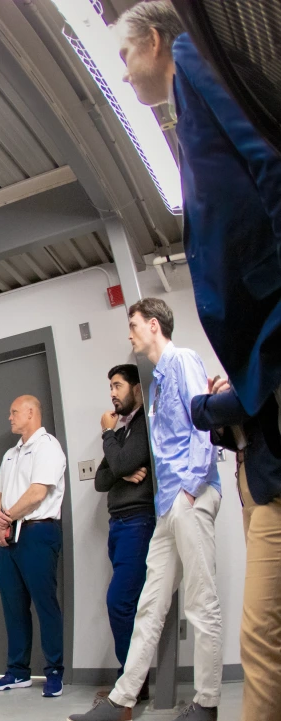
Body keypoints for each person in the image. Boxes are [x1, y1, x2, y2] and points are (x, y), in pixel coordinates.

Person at [114, 0, 281, 428]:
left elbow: (268, 157)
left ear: (154, 41)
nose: (124, 72)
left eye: (124, 55)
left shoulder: (195, 61)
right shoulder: (187, 99)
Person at [69, 298, 222, 721]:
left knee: (200, 602)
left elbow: (202, 424)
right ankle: (122, 700)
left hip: (188, 497)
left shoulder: (183, 360)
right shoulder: (154, 386)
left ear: (154, 325)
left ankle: (207, 703)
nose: (130, 333)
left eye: (134, 325)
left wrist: (191, 489)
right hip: (167, 507)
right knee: (149, 607)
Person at [192, 377, 281, 721]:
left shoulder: (264, 347)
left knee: (261, 637)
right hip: (254, 484)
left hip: (272, 492)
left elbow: (207, 410)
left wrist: (213, 401)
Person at [0, 395, 67, 698]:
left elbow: (36, 494)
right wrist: (0, 520)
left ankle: (54, 672)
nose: (10, 417)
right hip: (9, 537)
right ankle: (18, 672)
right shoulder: (10, 454)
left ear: (31, 412)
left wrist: (5, 520)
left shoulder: (48, 447)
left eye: (14, 411)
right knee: (13, 605)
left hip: (38, 533)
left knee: (45, 605)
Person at [93, 364, 156, 697]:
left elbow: (116, 465)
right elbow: (102, 479)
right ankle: (133, 681)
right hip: (118, 525)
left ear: (136, 389)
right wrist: (122, 468)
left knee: (120, 602)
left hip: (138, 522)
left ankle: (131, 680)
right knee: (124, 603)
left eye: (117, 386)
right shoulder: (123, 432)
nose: (112, 394)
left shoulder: (144, 423)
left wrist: (107, 435)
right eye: (111, 387)